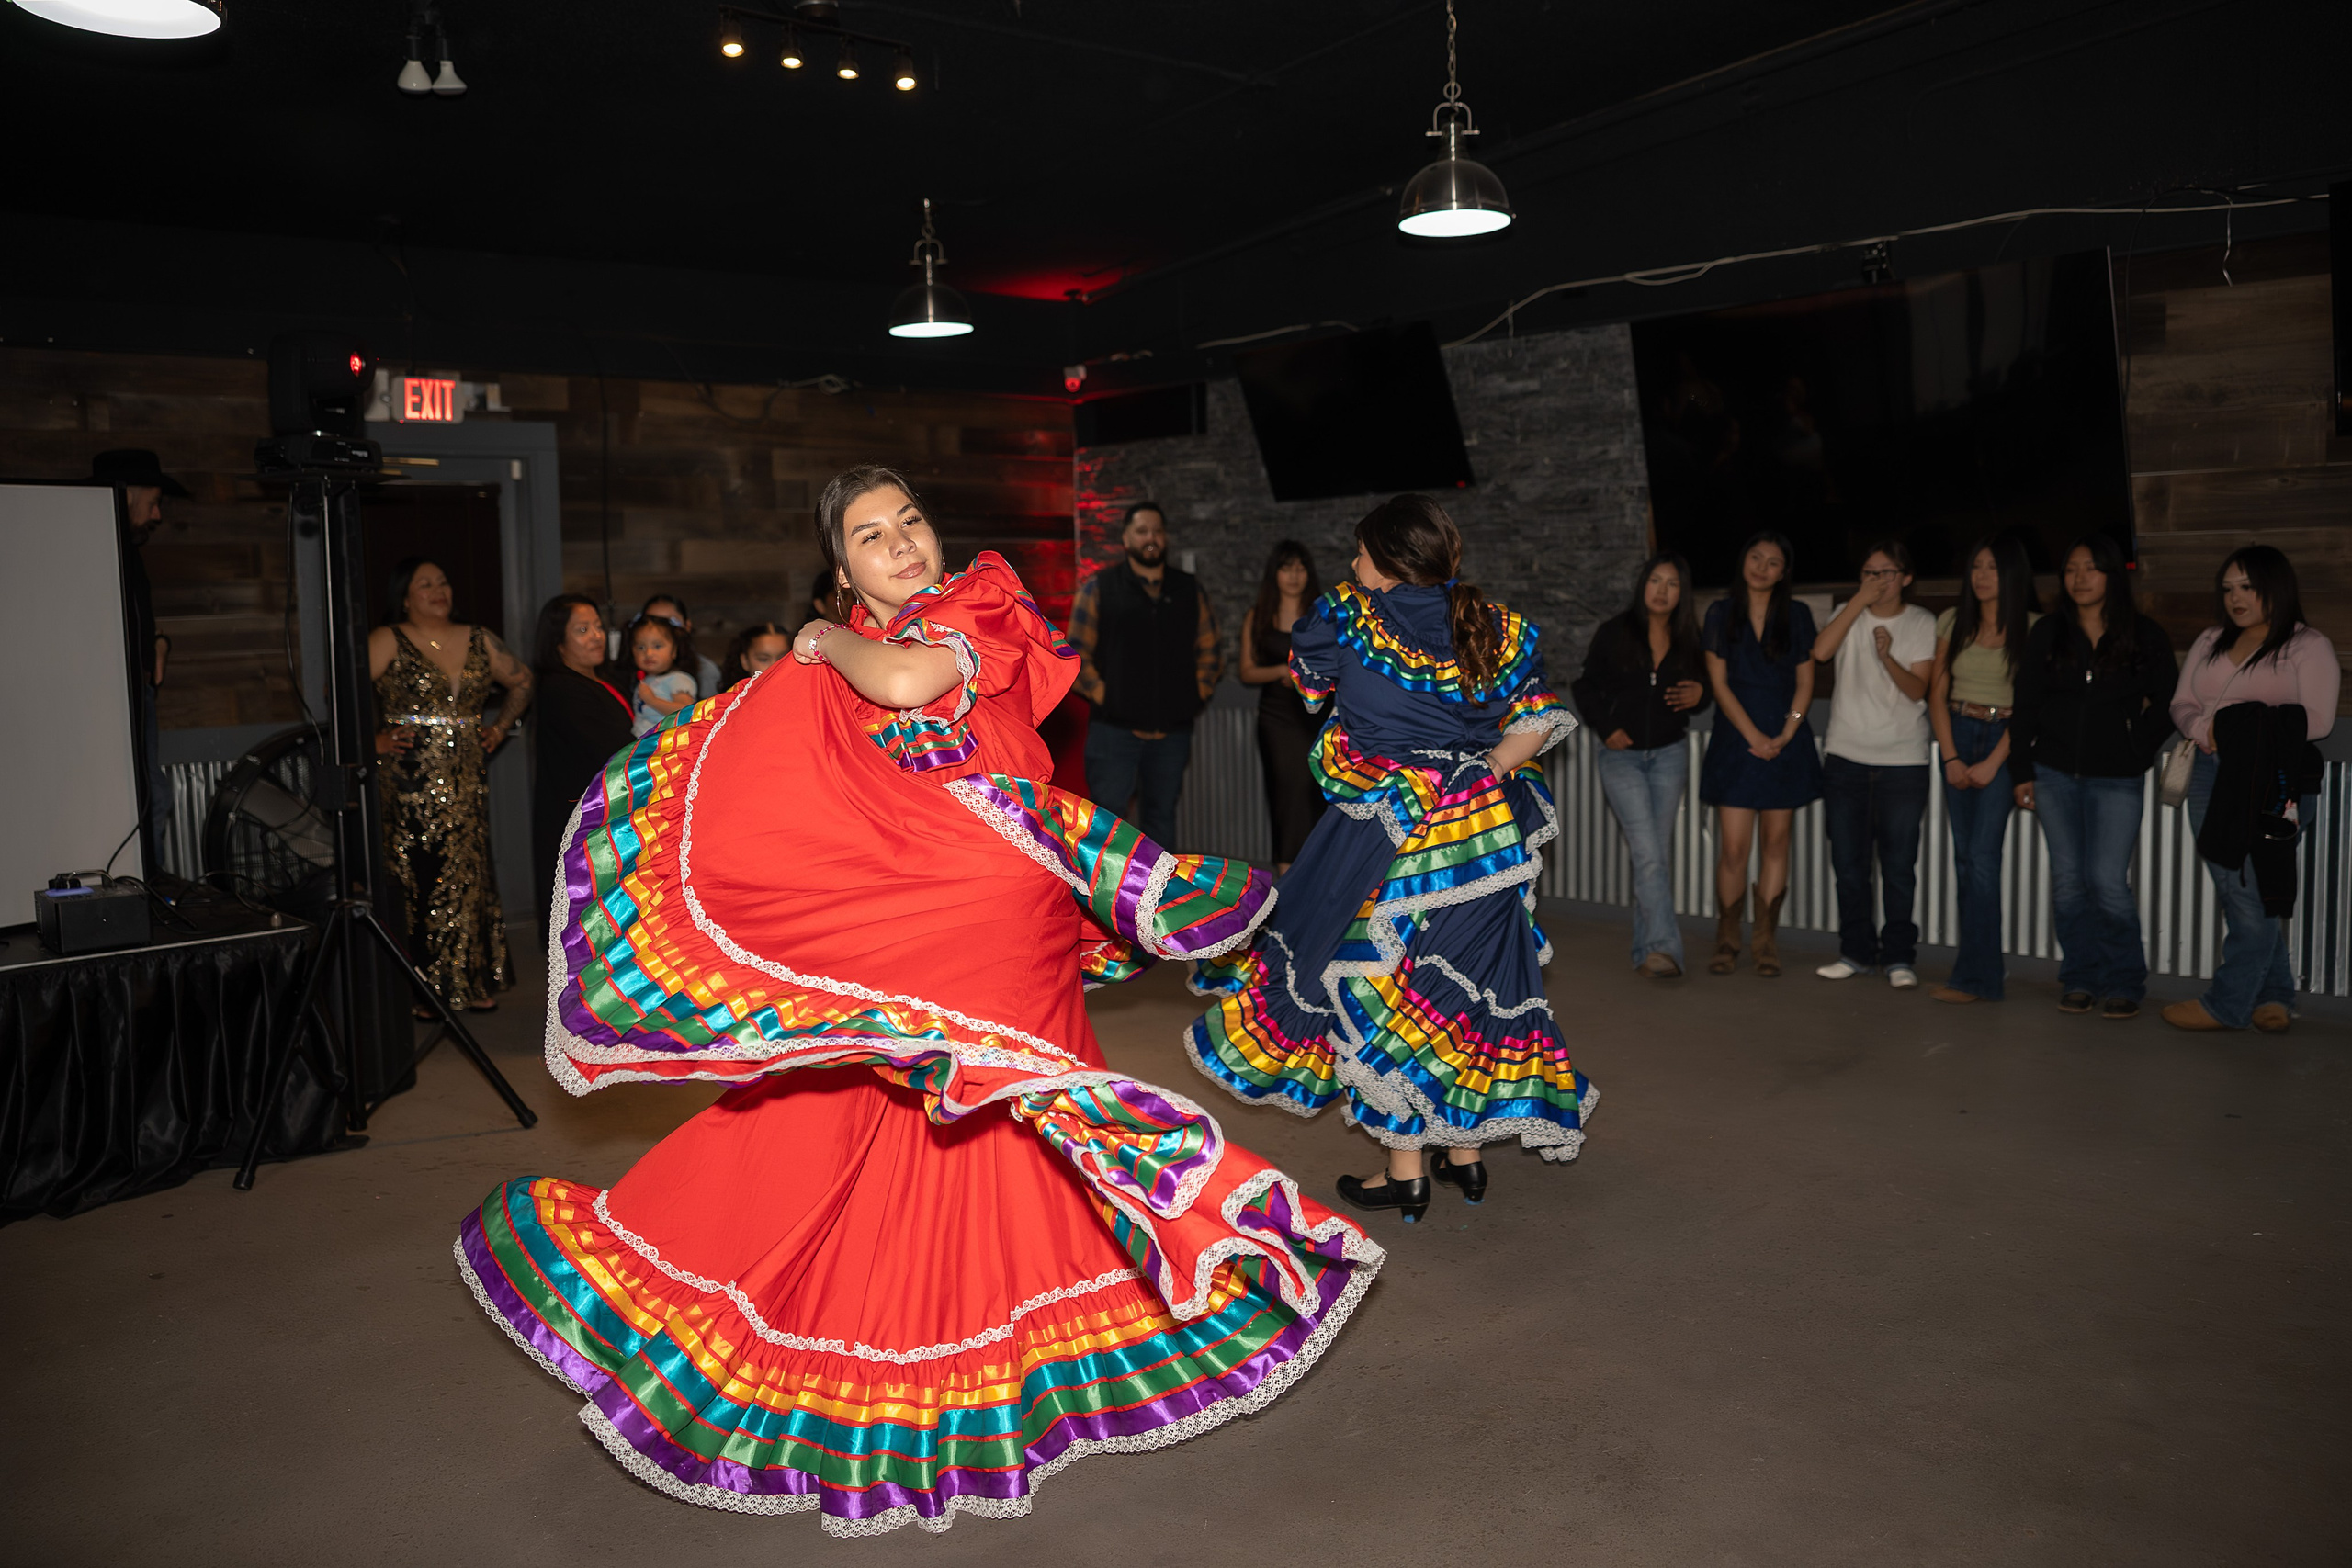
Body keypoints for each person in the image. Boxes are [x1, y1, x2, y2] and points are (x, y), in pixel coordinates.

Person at [456, 465, 1378, 1536]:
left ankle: (1025, 1329)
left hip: (998, 910)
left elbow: (906, 683)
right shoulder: (839, 662)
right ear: (841, 564)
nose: (901, 543)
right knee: (868, 1112)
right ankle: (928, 1351)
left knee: (1008, 1105)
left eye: (910, 522)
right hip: (907, 914)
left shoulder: (974, 600)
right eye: (869, 535)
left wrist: (815, 642)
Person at [1188, 494, 1593, 1221]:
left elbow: (1310, 691)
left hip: (1386, 831)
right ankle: (1464, 1154)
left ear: (1390, 561)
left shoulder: (1345, 614)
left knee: (1385, 985)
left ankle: (1406, 1168)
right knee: (1469, 979)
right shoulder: (1495, 625)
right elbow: (1536, 718)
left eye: (1360, 552)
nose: (1350, 564)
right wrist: (1483, 771)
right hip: (1479, 835)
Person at [2162, 546, 2339, 1033]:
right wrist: (2203, 730)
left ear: (2275, 587)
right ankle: (2276, 994)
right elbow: (2181, 703)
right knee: (2236, 886)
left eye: (2247, 586)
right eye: (2228, 588)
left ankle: (2227, 1003)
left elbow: (2319, 721)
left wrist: (2239, 727)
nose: (2236, 598)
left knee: (2250, 889)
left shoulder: (2308, 645)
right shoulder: (2211, 639)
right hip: (2208, 771)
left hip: (2274, 780)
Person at [2010, 534, 2177, 1020]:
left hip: (2117, 778)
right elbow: (2025, 705)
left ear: (2111, 574)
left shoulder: (2143, 634)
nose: (2079, 578)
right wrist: (2022, 769)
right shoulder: (2047, 632)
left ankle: (2124, 980)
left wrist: (2136, 746)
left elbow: (2170, 703)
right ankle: (2080, 977)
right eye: (2071, 570)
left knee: (2106, 881)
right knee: (2067, 882)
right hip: (2053, 773)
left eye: (2091, 568)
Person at [368, 558, 531, 1012]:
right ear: (405, 595)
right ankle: (421, 988)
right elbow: (337, 691)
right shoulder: (388, 638)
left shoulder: (478, 637)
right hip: (409, 778)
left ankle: (467, 979)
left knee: (467, 875)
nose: (439, 589)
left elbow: (523, 682)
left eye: (443, 581)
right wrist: (374, 739)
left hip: (466, 778)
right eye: (425, 584)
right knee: (420, 876)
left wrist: (498, 729)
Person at [1570, 553, 1710, 977]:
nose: (1662, 590)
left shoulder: (1689, 638)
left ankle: (1645, 950)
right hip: (1621, 758)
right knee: (1649, 854)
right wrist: (1606, 726)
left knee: (1655, 856)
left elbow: (1704, 690)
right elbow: (1584, 685)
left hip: (1669, 754)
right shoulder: (1615, 631)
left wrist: (1700, 695)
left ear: (1681, 593)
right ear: (1643, 584)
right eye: (1655, 581)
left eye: (1672, 584)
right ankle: (1665, 950)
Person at [1809, 542, 1938, 987]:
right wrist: (1859, 603)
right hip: (1845, 756)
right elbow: (1821, 652)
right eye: (1869, 572)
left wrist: (1887, 657)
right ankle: (1855, 951)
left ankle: (1900, 956)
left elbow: (1918, 690)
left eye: (1886, 573)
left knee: (1899, 866)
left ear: (1905, 577)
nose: (1877, 580)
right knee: (1848, 865)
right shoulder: (1850, 610)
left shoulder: (1921, 621)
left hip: (1903, 760)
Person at [1699, 532, 1822, 977]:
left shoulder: (1799, 614)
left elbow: (1806, 683)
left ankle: (1765, 942)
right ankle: (1727, 939)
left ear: (1784, 572)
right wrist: (1754, 734)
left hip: (1785, 740)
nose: (1762, 567)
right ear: (1743, 561)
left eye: (1773, 562)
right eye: (1755, 557)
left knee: (1776, 843)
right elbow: (1719, 683)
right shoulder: (1719, 612)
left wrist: (1787, 732)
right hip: (1737, 742)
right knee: (1733, 848)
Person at [1926, 535, 2041, 1004]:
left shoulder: (2034, 627)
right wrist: (1950, 756)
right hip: (1957, 730)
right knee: (1965, 859)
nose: (1981, 576)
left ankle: (1978, 980)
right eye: (1976, 566)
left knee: (1982, 861)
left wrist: (1998, 764)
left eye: (1992, 567)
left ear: (2012, 573)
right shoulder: (1953, 620)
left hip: (2003, 739)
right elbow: (1935, 694)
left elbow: (2031, 706)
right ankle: (1976, 971)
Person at [1069, 502, 1222, 848]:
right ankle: (1105, 903)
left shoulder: (1188, 589)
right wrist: (1106, 695)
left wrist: (1196, 693)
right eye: (1142, 531)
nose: (1150, 538)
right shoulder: (1100, 588)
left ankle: (1158, 901)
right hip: (1114, 734)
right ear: (1126, 539)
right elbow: (1076, 654)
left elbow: (1211, 650)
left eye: (1157, 531)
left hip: (1172, 734)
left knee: (1161, 822)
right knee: (1107, 829)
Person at [89, 449, 186, 832]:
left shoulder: (128, 552)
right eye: (153, 503)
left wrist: (158, 642)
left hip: (136, 691)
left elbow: (136, 616)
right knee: (148, 797)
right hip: (112, 695)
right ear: (126, 494)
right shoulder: (94, 549)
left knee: (152, 796)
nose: (157, 515)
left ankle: (150, 884)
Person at [527, 592, 633, 938]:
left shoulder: (599, 679)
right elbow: (610, 748)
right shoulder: (561, 689)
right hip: (581, 819)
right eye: (583, 630)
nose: (596, 636)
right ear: (558, 643)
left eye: (599, 627)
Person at [1236, 540, 1328, 873]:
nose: (1294, 575)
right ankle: (1286, 871)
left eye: (1300, 568)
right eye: (1287, 568)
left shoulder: (1321, 614)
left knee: (1316, 790)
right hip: (1276, 718)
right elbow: (1246, 671)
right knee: (1286, 791)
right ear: (1274, 573)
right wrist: (1282, 671)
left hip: (1315, 714)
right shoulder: (1258, 615)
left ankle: (1317, 869)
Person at [624, 613, 700, 737]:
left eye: (657, 646)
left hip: (666, 745)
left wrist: (652, 700)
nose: (648, 653)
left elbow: (685, 711)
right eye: (641, 647)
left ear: (674, 651)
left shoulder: (678, 679)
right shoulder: (644, 680)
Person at [640, 592, 724, 697]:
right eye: (652, 622)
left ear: (687, 626)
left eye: (671, 622)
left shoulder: (705, 671)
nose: (659, 631)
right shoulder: (637, 667)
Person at [720, 620, 790, 688]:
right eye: (763, 659)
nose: (774, 666)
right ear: (745, 661)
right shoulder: (733, 698)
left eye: (783, 658)